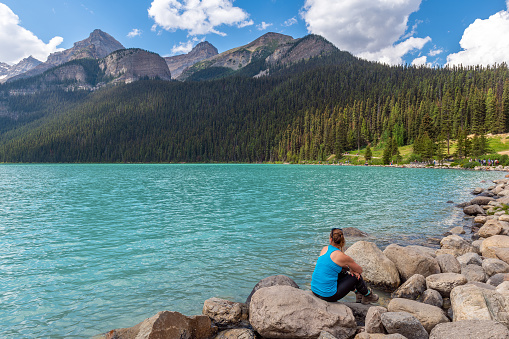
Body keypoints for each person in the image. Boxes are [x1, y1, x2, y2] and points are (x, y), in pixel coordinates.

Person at [311, 228, 378, 304]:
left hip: (315, 290)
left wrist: (349, 269)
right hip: (328, 296)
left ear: (330, 239)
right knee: (356, 276)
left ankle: (358, 294)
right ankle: (368, 295)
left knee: (341, 272)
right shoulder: (342, 256)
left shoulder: (324, 249)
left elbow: (332, 265)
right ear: (342, 242)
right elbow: (359, 270)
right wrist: (352, 269)